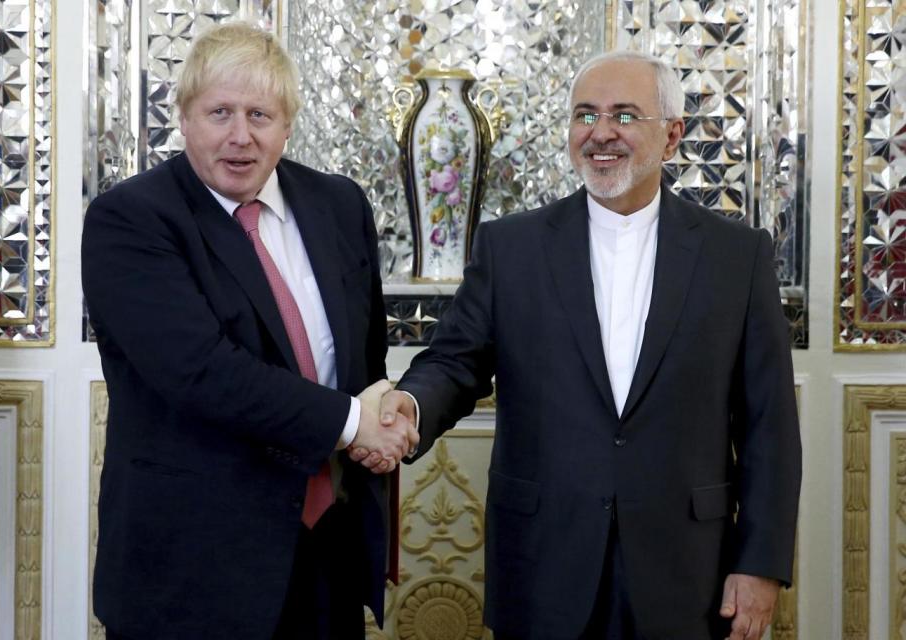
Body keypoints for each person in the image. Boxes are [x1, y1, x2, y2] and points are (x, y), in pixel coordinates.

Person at [360, 50, 802, 640]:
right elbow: (455, 362)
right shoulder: (510, 248)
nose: (600, 134)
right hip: (543, 564)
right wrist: (410, 406)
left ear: (671, 135)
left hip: (689, 570)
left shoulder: (737, 257)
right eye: (585, 115)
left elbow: (769, 424)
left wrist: (760, 564)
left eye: (624, 115)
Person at [82, 22, 410, 640]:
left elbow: (362, 353)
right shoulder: (130, 219)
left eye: (260, 114)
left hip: (326, 554)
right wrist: (350, 423)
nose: (240, 136)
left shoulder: (340, 204)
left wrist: (381, 416)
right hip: (195, 568)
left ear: (288, 125)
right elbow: (200, 371)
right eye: (220, 112)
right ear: (183, 119)